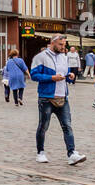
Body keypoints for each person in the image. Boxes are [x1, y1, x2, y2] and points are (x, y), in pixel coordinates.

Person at [29, 34, 87, 165]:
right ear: (52, 43)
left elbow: (63, 75)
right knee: (43, 126)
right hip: (46, 97)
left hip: (63, 97)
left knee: (67, 126)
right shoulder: (40, 57)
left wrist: (69, 76)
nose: (63, 47)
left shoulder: (63, 57)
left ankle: (72, 153)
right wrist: (51, 78)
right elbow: (34, 75)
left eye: (64, 44)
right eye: (61, 44)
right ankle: (40, 152)